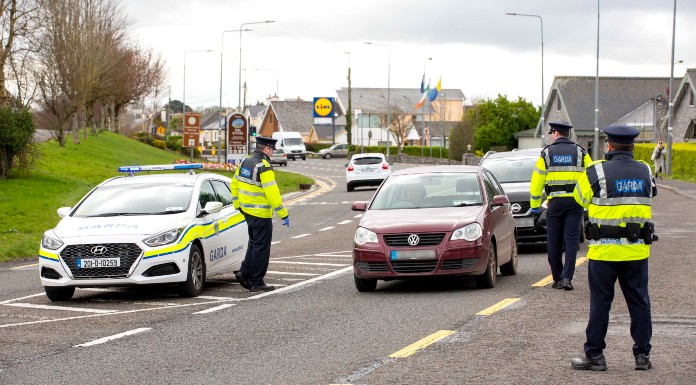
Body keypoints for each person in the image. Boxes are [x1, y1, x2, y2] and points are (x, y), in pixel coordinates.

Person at [571, 125, 657, 371]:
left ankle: (595, 356)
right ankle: (642, 356)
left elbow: (579, 199)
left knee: (600, 304)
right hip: (636, 251)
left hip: (603, 252)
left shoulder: (596, 171)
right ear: (633, 146)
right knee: (639, 302)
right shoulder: (646, 170)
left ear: (608, 146)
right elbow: (652, 194)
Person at [530, 122, 592, 290]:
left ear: (556, 133)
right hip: (575, 203)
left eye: (552, 133)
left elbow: (537, 182)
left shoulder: (547, 154)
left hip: (555, 203)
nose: (551, 136)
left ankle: (557, 278)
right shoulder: (581, 153)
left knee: (554, 242)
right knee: (571, 241)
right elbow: (591, 179)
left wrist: (535, 206)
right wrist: (588, 204)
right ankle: (567, 278)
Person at [231, 136, 290, 292]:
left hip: (247, 211)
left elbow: (234, 183)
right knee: (261, 248)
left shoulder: (245, 161)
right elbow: (273, 193)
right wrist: (283, 214)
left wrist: (238, 204)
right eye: (271, 150)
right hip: (260, 213)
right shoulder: (263, 166)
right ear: (266, 149)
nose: (272, 153)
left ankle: (244, 272)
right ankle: (257, 281)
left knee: (254, 243)